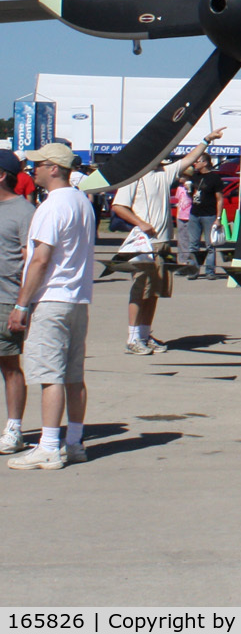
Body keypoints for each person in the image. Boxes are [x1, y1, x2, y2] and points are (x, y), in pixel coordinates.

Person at [6, 143, 95, 470]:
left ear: (54, 168)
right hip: (78, 299)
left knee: (49, 375)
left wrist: (22, 305)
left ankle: (48, 446)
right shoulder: (82, 201)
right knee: (73, 375)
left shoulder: (52, 206)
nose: (34, 170)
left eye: (39, 165)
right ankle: (74, 442)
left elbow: (41, 259)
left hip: (52, 299)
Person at [111, 128, 225, 354]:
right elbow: (118, 206)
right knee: (140, 289)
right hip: (143, 243)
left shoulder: (164, 173)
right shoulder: (133, 177)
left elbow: (189, 159)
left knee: (155, 291)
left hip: (163, 242)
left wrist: (206, 140)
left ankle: (145, 334)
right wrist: (140, 222)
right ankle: (133, 337)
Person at [0, 151, 36, 454]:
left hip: (5, 300)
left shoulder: (23, 211)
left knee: (9, 366)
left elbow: (30, 260)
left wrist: (22, 305)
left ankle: (14, 429)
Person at [185, 153, 226, 279]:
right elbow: (193, 195)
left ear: (205, 163)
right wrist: (189, 190)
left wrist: (218, 218)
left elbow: (219, 199)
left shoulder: (214, 178)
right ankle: (193, 270)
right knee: (193, 244)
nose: (195, 164)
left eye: (197, 161)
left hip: (209, 215)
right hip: (194, 214)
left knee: (210, 245)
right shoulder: (195, 176)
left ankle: (210, 271)